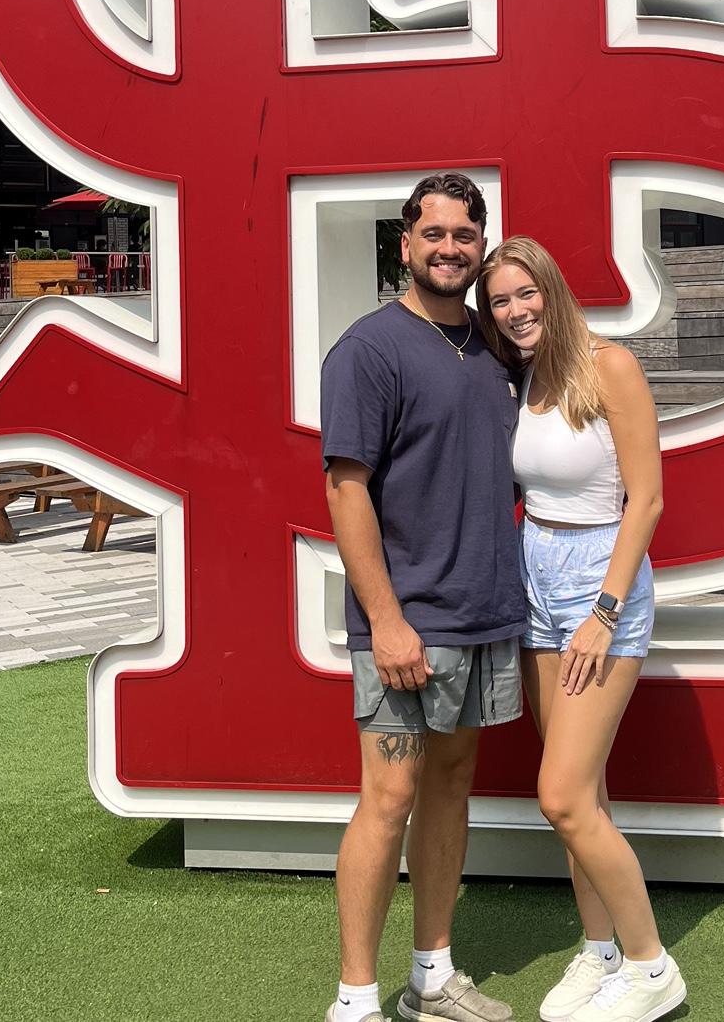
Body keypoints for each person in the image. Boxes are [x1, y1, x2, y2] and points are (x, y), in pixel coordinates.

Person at [320, 172, 521, 1022]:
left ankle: (431, 977)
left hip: (484, 611)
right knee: (390, 797)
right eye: (433, 234)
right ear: (404, 245)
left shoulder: (496, 344)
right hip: (406, 624)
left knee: (452, 785)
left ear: (482, 246)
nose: (450, 249)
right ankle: (355, 998)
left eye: (465, 236)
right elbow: (345, 489)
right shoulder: (368, 349)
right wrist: (387, 619)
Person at [477, 237, 686, 1022]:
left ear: (552, 289)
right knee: (584, 794)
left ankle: (650, 965)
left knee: (560, 796)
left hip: (601, 582)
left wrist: (604, 611)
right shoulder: (524, 375)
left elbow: (648, 499)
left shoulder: (611, 366)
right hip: (537, 573)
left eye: (525, 294)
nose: (516, 310)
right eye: (500, 301)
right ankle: (599, 952)